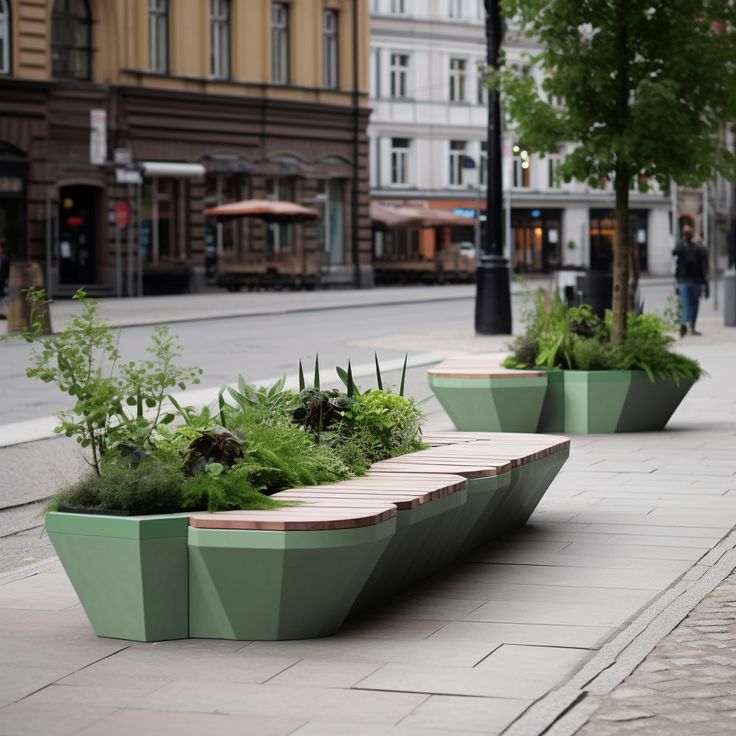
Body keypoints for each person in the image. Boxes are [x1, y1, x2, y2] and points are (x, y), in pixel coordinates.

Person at [672, 225, 709, 337]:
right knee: (688, 304)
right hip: (685, 280)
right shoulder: (681, 247)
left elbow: (703, 263)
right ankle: (686, 324)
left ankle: (690, 325)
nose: (686, 235)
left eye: (688, 233)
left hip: (695, 280)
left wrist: (705, 283)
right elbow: (674, 252)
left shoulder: (697, 248)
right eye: (685, 233)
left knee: (691, 304)